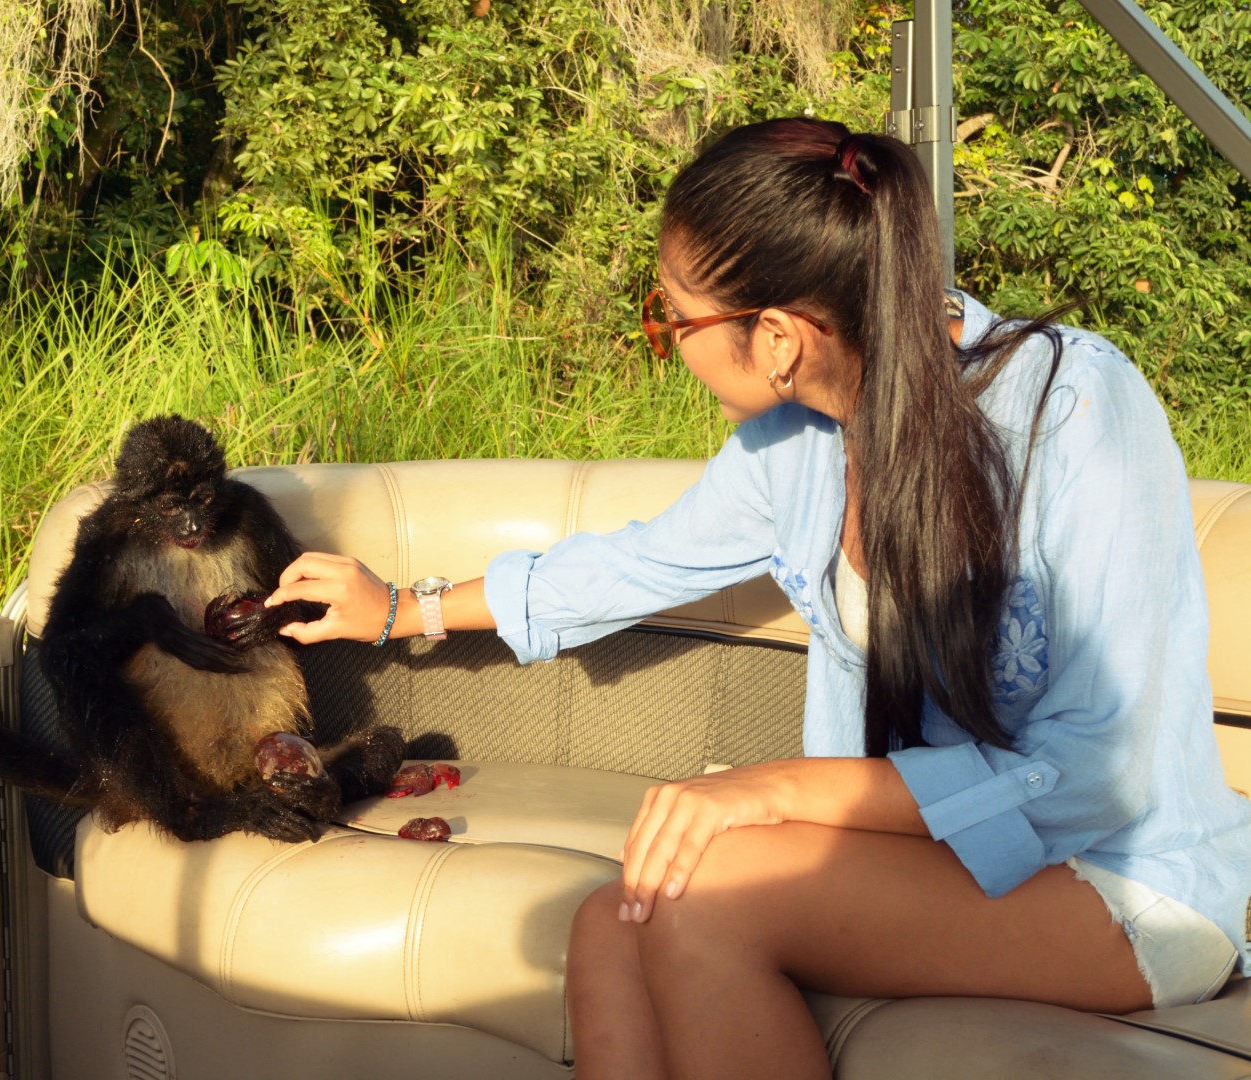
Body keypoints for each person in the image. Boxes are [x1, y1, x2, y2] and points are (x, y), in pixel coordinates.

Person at [262, 118, 1251, 1079]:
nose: (662, 341)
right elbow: (641, 563)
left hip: (1123, 880)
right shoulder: (797, 446)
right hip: (959, 863)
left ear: (776, 337)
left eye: (667, 319)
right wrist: (400, 610)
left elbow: (1096, 778)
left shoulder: (1074, 413)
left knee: (709, 898)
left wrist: (770, 788)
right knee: (615, 924)